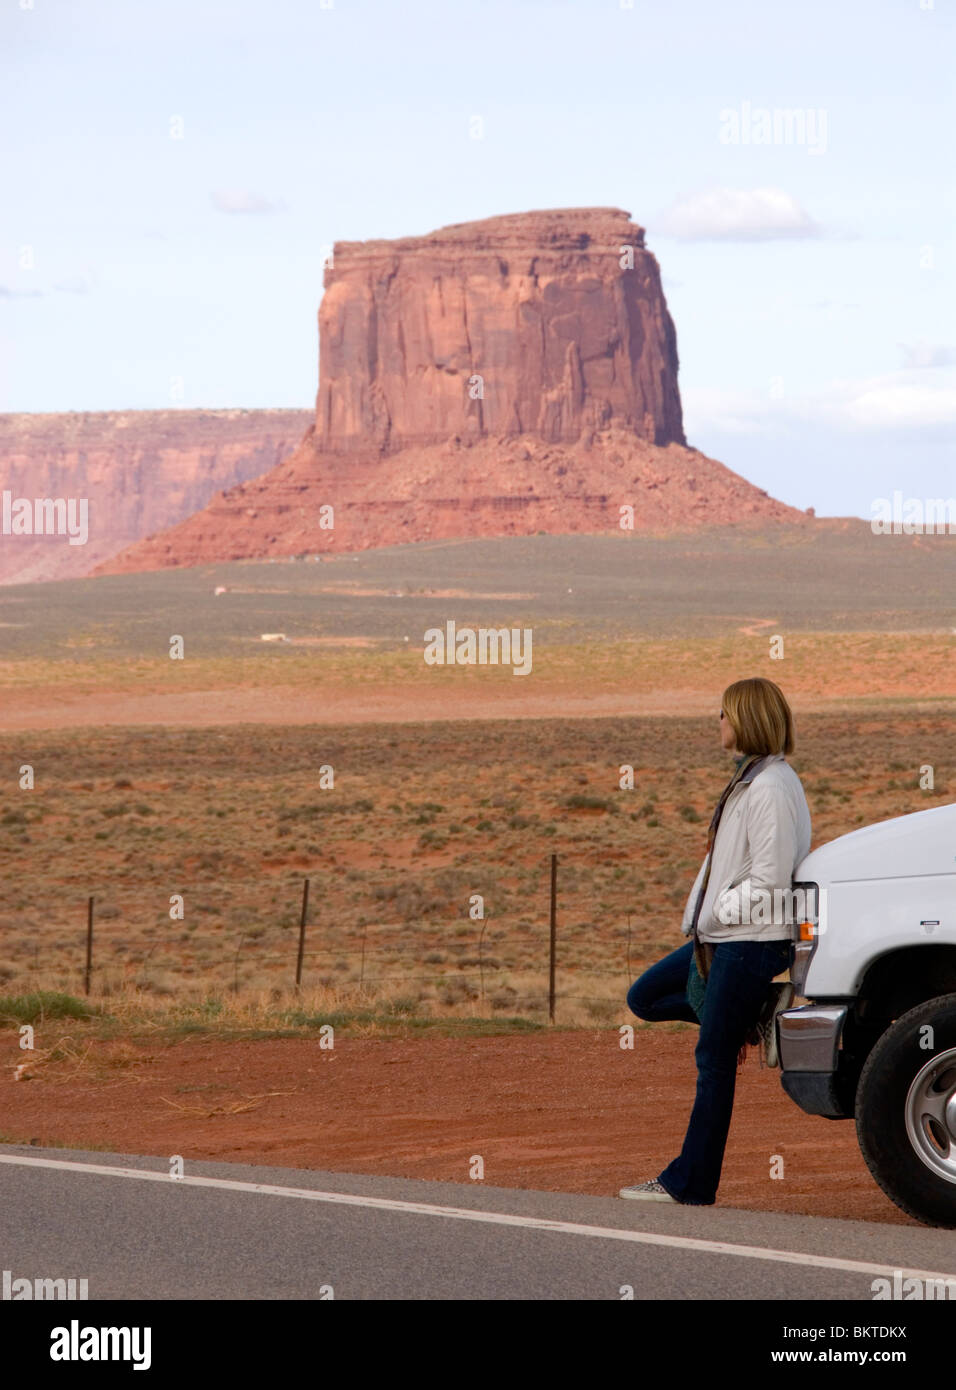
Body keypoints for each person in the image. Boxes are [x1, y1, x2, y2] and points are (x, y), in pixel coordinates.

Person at [619, 677, 812, 1205]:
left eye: (724, 714)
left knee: (714, 1059)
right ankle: (757, 1016)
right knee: (646, 997)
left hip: (749, 939)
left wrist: (719, 912)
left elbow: (771, 880)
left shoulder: (770, 787)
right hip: (726, 935)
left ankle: (690, 1183)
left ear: (746, 719)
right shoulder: (752, 779)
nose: (718, 722)